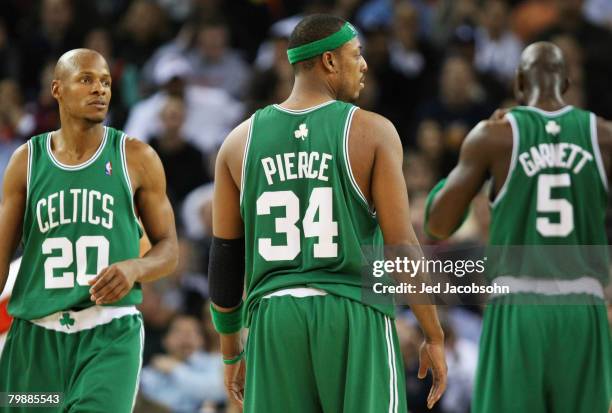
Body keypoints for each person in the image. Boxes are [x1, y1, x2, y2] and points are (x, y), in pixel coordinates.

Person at [209, 14, 447, 413]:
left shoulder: (237, 142)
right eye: (357, 54)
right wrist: (434, 335)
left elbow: (225, 258)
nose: (365, 64)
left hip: (274, 317)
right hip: (351, 311)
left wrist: (231, 352)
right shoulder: (371, 131)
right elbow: (401, 245)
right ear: (330, 61)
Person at [425, 42, 611, 412]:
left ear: (519, 83)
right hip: (583, 305)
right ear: (567, 82)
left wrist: (474, 159)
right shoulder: (605, 137)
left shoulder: (496, 136)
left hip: (517, 303)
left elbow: (438, 224)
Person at [0, 48, 178, 413]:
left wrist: (135, 268)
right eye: (86, 79)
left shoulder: (136, 157)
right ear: (57, 90)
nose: (100, 89)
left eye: (106, 82)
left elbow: (169, 248)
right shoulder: (26, 162)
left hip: (108, 333)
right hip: (35, 338)